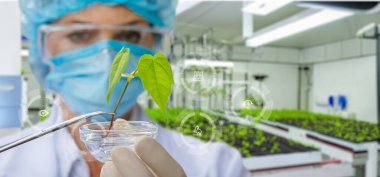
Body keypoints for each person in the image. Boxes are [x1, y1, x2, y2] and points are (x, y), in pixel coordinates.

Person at [0, 1, 251, 177]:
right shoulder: (6, 163)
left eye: (130, 36)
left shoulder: (218, 166)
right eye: (79, 35)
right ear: (42, 43)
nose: (108, 55)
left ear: (155, 44)